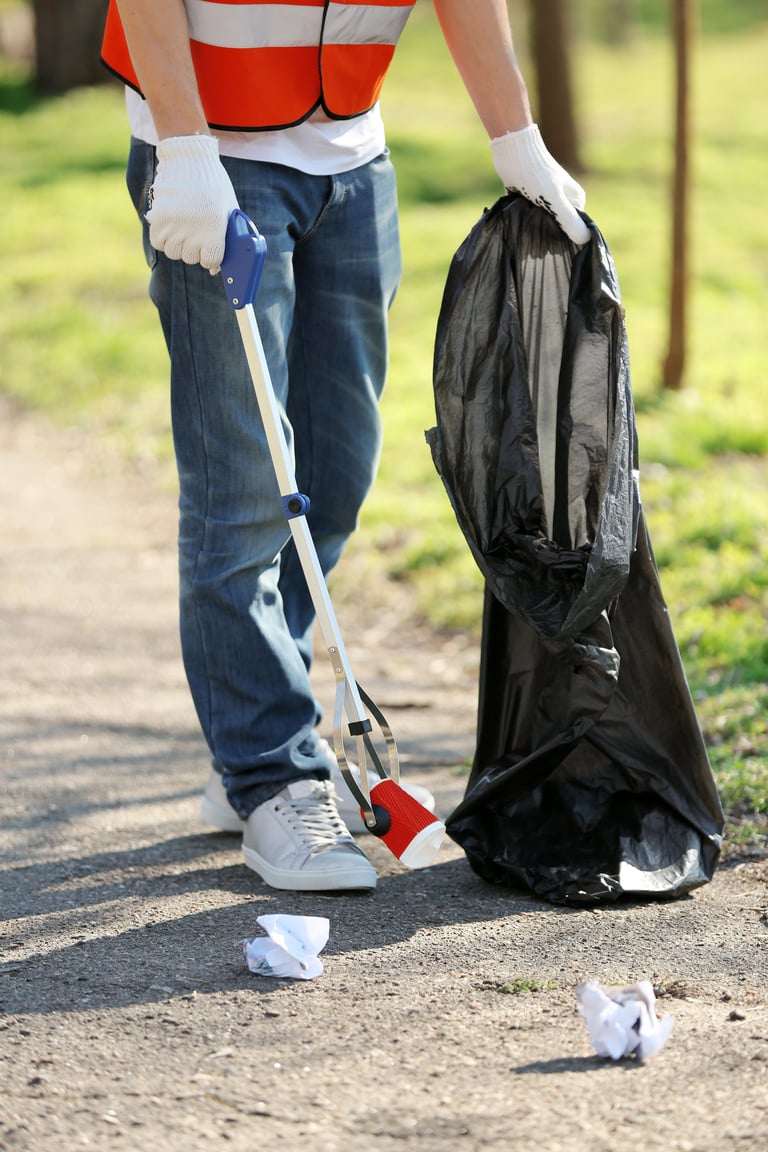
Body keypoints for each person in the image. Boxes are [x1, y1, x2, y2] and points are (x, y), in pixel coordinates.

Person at [101, 0, 590, 894]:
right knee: (248, 486)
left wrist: (515, 135)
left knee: (334, 475)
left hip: (353, 161)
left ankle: (252, 728)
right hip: (216, 157)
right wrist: (182, 146)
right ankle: (271, 771)